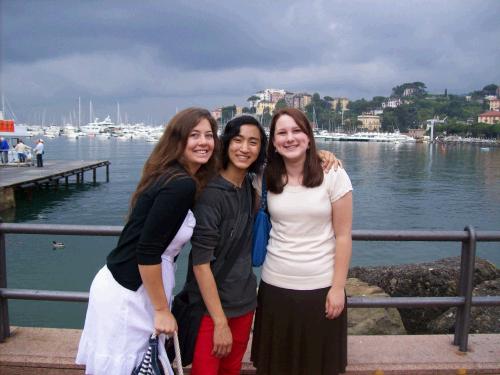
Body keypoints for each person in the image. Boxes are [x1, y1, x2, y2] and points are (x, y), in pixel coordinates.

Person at [76, 108, 220, 375]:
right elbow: (148, 251)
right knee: (133, 365)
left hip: (127, 283)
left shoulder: (170, 173)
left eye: (209, 135)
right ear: (178, 140)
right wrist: (162, 310)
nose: (204, 142)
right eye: (194, 135)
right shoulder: (180, 184)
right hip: (132, 292)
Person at [251, 108, 353, 375]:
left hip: (321, 287)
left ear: (309, 137)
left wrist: (338, 288)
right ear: (273, 142)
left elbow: (343, 236)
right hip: (275, 287)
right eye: (282, 133)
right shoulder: (264, 178)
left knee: (319, 366)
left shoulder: (333, 175)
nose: (290, 138)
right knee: (276, 366)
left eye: (297, 131)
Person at [185, 115, 267, 375]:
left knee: (231, 370)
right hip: (212, 310)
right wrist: (220, 322)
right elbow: (200, 263)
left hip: (244, 302)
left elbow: (291, 158)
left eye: (253, 142)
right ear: (226, 143)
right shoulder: (211, 195)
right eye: (238, 140)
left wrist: (321, 154)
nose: (245, 148)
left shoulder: (248, 186)